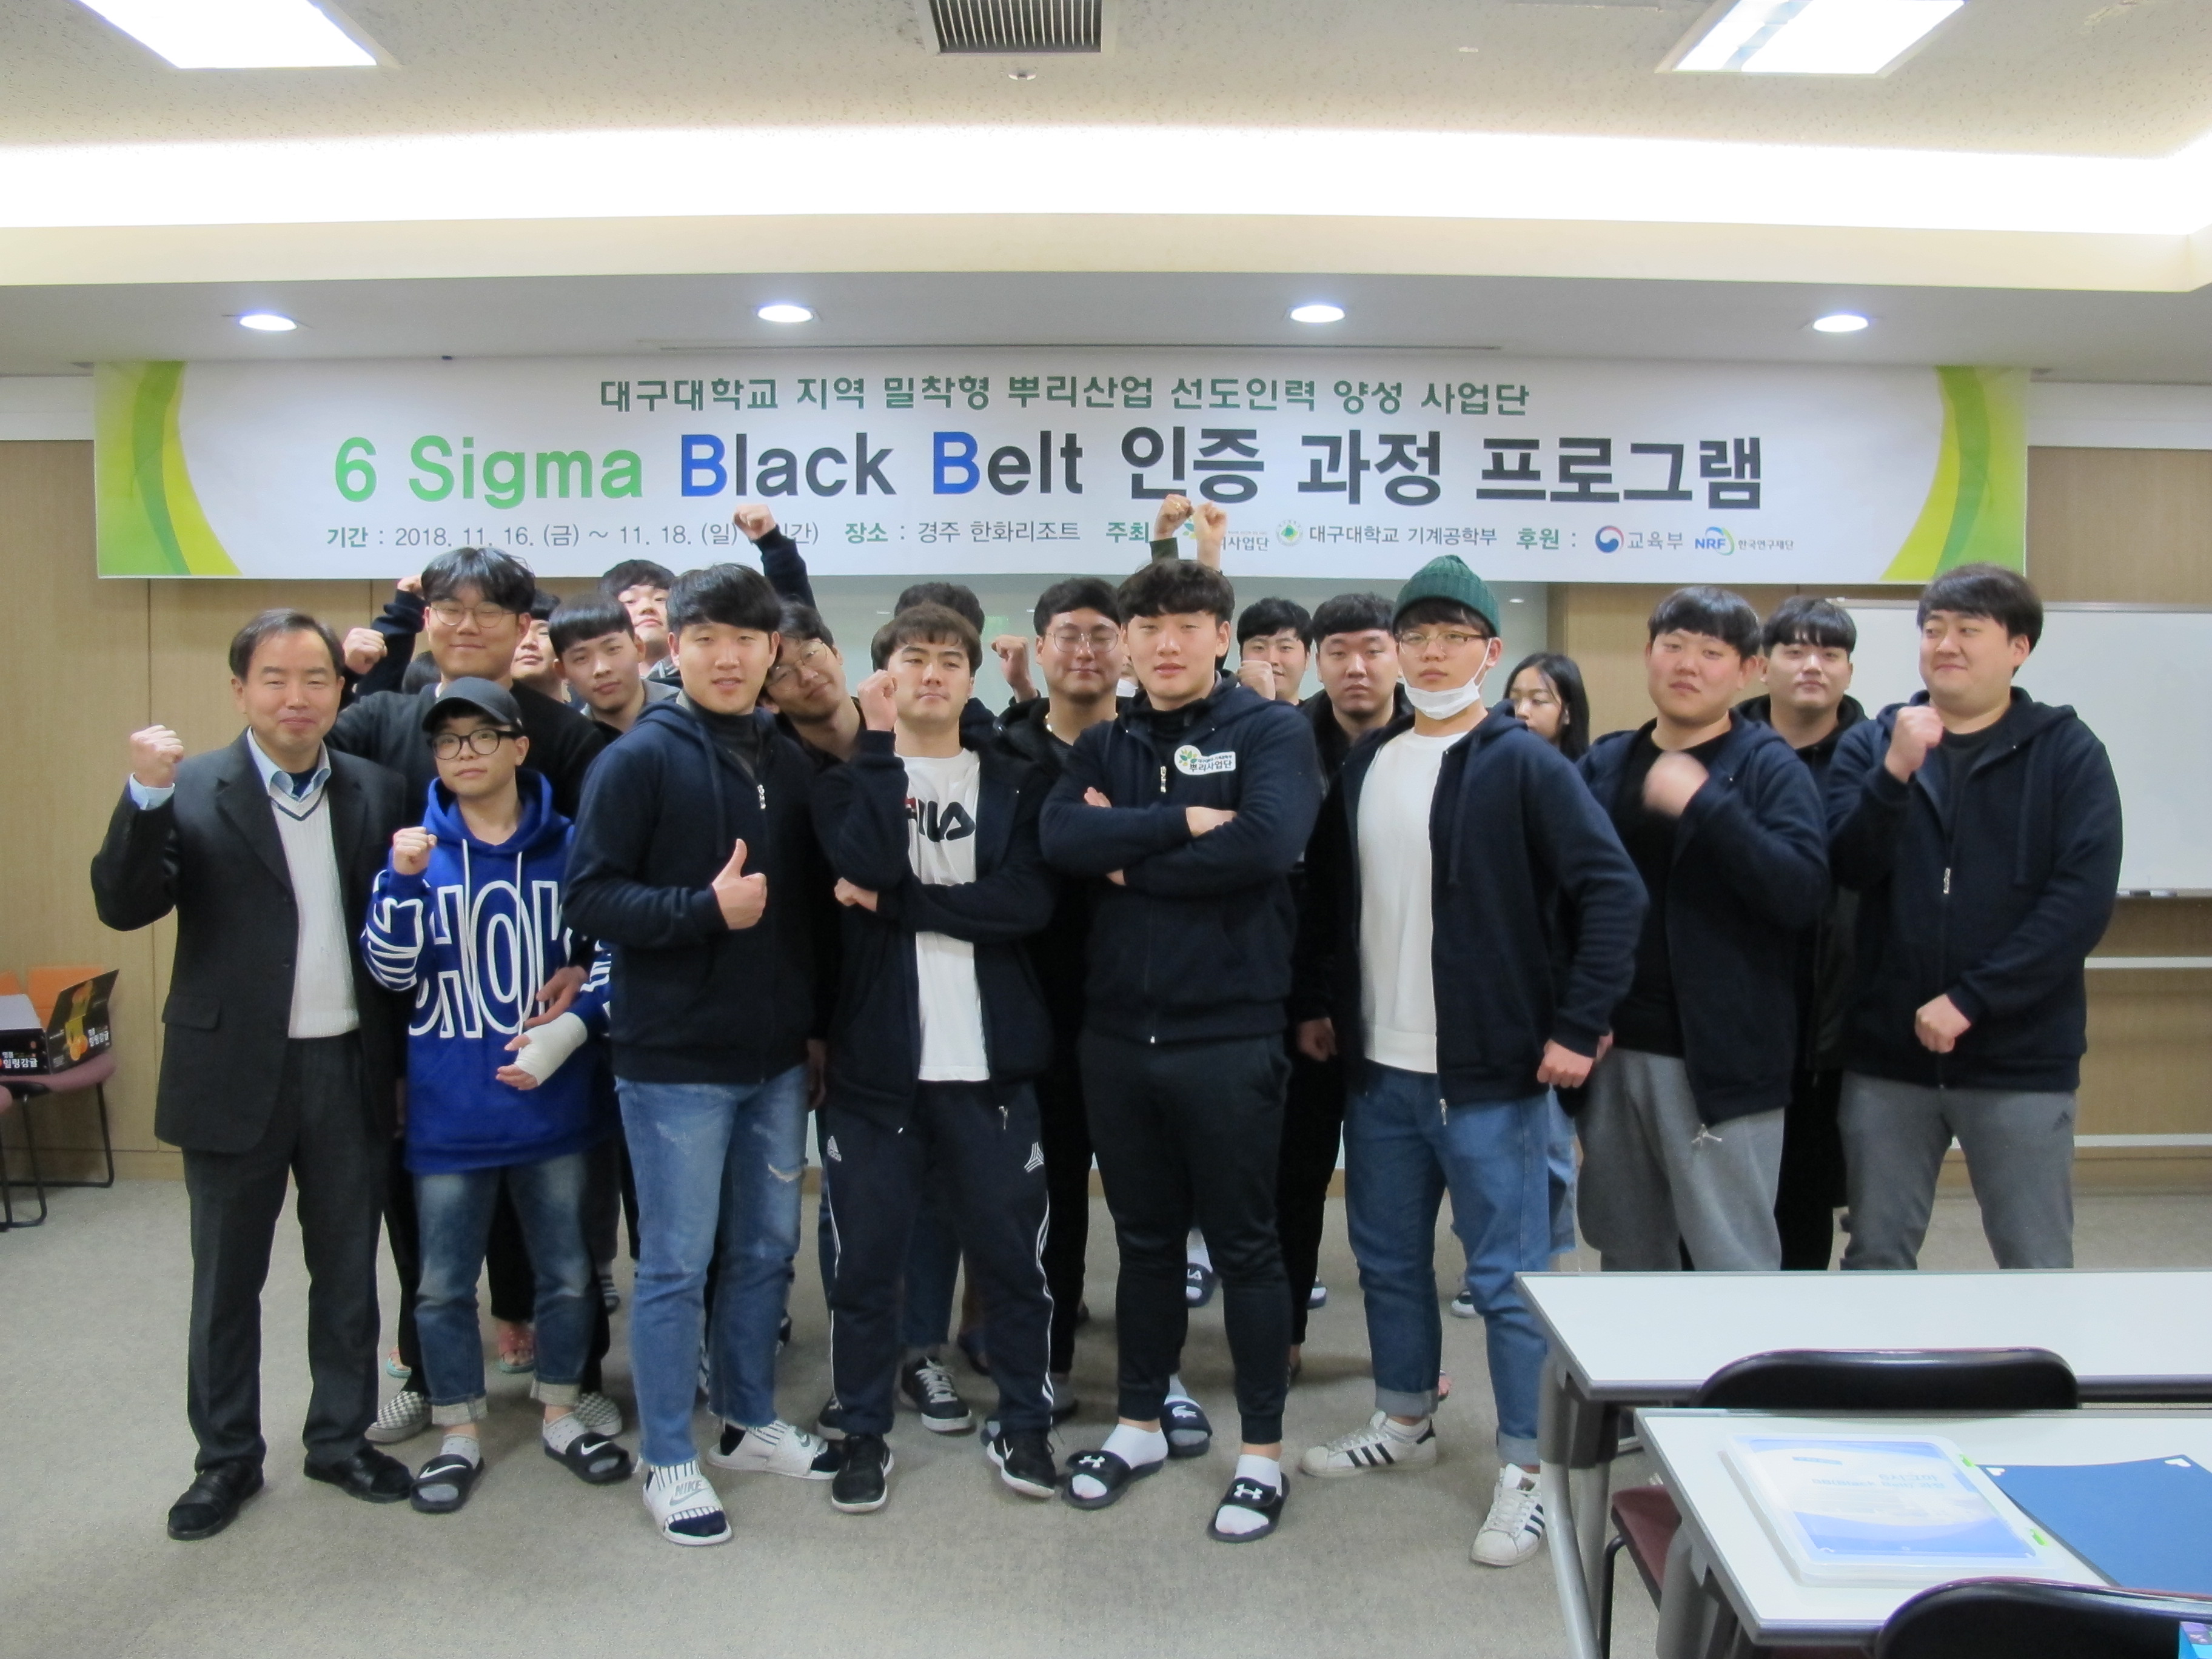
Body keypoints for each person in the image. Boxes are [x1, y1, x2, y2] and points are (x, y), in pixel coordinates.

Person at [1293, 558, 1643, 1567]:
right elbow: (1330, 899)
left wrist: (1577, 1025)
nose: (1434, 653)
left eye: (1455, 636)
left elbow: (1613, 893)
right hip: (1381, 1071)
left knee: (1507, 1277)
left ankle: (1529, 1469)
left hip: (1491, 1077)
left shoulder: (1524, 762)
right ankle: (1404, 1417)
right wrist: (1319, 1004)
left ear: (1490, 652)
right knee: (1388, 1259)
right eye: (1418, 636)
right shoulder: (1370, 761)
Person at [92, 610, 412, 1539]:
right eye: (275, 678)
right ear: (240, 691)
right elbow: (123, 904)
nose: (296, 696)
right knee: (226, 1280)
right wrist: (142, 797)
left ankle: (340, 1439)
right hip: (231, 1067)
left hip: (348, 1062)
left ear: (340, 689)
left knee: (347, 1272)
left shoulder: (378, 787)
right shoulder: (189, 787)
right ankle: (225, 1458)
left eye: (316, 678)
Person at [1040, 552, 1323, 1544]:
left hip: (1229, 1035)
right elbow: (1059, 840)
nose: (1165, 644)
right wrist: (1181, 824)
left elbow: (1266, 843)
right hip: (1117, 1037)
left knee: (1246, 1247)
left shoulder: (1271, 731)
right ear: (1127, 643)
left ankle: (1260, 1454)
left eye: (1185, 626)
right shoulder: (1104, 742)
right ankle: (1138, 1423)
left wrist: (1129, 858)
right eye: (1147, 628)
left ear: (1220, 637)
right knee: (1146, 1243)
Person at [566, 561, 839, 1547]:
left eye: (746, 640)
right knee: (677, 1265)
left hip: (774, 1059)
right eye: (707, 639)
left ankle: (747, 1421)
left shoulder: (788, 760)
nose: (727, 658)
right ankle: (668, 1456)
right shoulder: (637, 759)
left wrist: (813, 1028)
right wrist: (701, 910)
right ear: (672, 647)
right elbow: (589, 898)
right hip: (673, 1061)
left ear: (772, 651)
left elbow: (805, 917)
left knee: (766, 1251)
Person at [329, 545, 608, 1446]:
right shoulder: (378, 720)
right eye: (450, 607)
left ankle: (571, 1381)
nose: (468, 624)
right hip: (412, 1021)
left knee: (562, 1232)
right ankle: (427, 1376)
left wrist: (586, 964)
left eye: (491, 610)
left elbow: (602, 876)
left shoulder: (562, 736)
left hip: (540, 1026)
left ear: (525, 626)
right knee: (422, 1225)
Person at [359, 680, 633, 1512]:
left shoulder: (575, 845)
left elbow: (616, 957)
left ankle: (560, 1410)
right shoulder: (414, 852)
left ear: (520, 747)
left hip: (555, 1107)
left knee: (568, 1274)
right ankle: (458, 1431)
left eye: (483, 736)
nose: (465, 753)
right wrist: (403, 884)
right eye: (448, 741)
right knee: (442, 1285)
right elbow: (389, 973)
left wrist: (575, 1021)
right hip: (449, 1112)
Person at [811, 605, 1062, 1512]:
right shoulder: (845, 786)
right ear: (882, 677)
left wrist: (897, 909)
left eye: (950, 661)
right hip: (877, 1076)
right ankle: (863, 1432)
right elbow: (871, 861)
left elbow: (1024, 905)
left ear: (971, 679)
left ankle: (1026, 1424)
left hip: (989, 1071)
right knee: (866, 1272)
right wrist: (880, 748)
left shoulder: (1019, 783)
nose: (931, 674)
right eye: (911, 659)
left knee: (1013, 1267)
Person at [1826, 564, 2121, 1272]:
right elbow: (1847, 866)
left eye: (1968, 630)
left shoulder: (2068, 752)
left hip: (2020, 1056)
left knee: (2034, 1260)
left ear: (2018, 647)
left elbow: (2078, 903)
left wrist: (1973, 999)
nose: (1945, 645)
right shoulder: (1872, 743)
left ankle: (2042, 1360)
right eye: (1933, 630)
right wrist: (1895, 773)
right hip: (1888, 1056)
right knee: (1876, 1256)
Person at [1574, 587, 1828, 1273]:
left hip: (1720, 1062)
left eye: (1712, 652)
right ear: (1648, 655)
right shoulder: (1605, 763)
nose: (1688, 665)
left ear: (1748, 670)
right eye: (1674, 646)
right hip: (1614, 1050)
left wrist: (1706, 805)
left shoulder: (1770, 767)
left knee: (1732, 1258)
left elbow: (1801, 894)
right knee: (1628, 1254)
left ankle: (1739, 1356)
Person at [993, 575, 1127, 1412]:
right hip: (1032, 1002)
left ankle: (1154, 1375)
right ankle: (1049, 1362)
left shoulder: (1150, 746)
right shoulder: (1002, 753)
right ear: (1040, 650)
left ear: (1126, 648)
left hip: (1140, 1001)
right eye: (1068, 635)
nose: (1085, 650)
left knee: (1149, 1199)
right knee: (1049, 1190)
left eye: (1101, 634)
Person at [1276, 591, 1408, 1361]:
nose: (1356, 667)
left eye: (1373, 649)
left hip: (1409, 1004)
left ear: (1397, 655)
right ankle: (1284, 1335)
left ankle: (1404, 1360)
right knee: (1295, 1178)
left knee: (1397, 1191)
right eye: (1338, 652)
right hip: (1307, 1004)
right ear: (1315, 660)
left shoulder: (1436, 742)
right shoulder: (1284, 742)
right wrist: (1310, 1001)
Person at [1738, 597, 1868, 1270]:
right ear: (1763, 665)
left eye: (1830, 653)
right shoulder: (1723, 747)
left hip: (1833, 1026)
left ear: (1848, 670)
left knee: (1805, 1209)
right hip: (1734, 1019)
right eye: (1794, 651)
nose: (1812, 666)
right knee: (1718, 1206)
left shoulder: (1877, 757)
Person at [1500, 650, 1598, 1275]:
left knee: (1554, 1148)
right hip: (1507, 989)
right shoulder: (1492, 774)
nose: (1523, 710)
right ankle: (1504, 1258)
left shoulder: (1585, 782)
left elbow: (1599, 904)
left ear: (1567, 712)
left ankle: (1548, 1265)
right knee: (1501, 1144)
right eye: (1514, 697)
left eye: (1539, 699)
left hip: (1562, 995)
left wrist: (1588, 1010)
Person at [551, 597, 676, 737]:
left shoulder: (685, 709)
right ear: (562, 671)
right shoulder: (571, 742)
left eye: (613, 649)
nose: (601, 669)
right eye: (581, 658)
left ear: (639, 648)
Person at [1506, 652, 1592, 763]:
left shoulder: (1586, 771)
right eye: (1515, 700)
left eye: (1537, 700)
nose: (1521, 711)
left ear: (1568, 712)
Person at [600, 558, 677, 681]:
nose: (646, 607)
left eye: (660, 599)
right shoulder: (599, 684)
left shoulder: (699, 680)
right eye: (630, 601)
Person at [1235, 597, 1312, 705]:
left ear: (1307, 658)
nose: (1271, 660)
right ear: (1241, 655)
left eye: (1285, 648)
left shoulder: (1323, 714)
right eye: (1259, 647)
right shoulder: (1221, 713)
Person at [509, 589, 569, 703]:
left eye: (543, 632)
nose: (529, 642)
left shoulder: (589, 715)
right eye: (519, 632)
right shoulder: (480, 714)